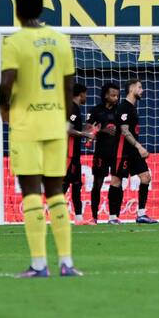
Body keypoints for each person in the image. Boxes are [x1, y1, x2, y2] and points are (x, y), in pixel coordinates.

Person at [0, 0, 81, 278]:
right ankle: (66, 262)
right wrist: (65, 118)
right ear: (41, 9)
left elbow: (6, 84)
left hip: (27, 124)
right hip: (55, 124)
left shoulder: (15, 42)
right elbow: (69, 85)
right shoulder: (60, 40)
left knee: (32, 193)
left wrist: (4, 110)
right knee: (56, 192)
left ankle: (39, 264)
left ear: (17, 11)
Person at [106, 78, 157, 224]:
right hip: (122, 150)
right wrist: (139, 147)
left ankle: (141, 214)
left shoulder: (132, 108)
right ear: (131, 89)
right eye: (139, 87)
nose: (142, 90)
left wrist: (137, 148)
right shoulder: (123, 107)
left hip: (133, 151)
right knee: (116, 180)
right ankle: (113, 217)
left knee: (146, 177)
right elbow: (124, 130)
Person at [63, 83, 98, 225]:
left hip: (75, 154)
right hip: (69, 153)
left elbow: (76, 130)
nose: (86, 97)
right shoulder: (72, 108)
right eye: (86, 94)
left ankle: (78, 218)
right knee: (64, 184)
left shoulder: (76, 109)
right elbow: (68, 130)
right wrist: (85, 134)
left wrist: (88, 129)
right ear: (81, 94)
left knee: (77, 184)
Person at [84, 82, 119, 225]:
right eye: (113, 95)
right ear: (105, 95)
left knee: (116, 184)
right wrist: (100, 131)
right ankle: (94, 217)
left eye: (117, 95)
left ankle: (113, 216)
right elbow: (87, 130)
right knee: (97, 185)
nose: (116, 98)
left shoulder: (120, 111)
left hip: (117, 153)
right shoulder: (95, 111)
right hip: (101, 152)